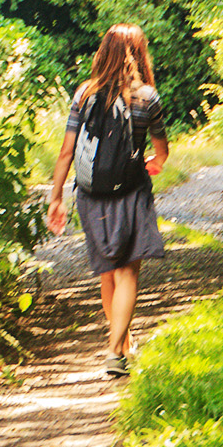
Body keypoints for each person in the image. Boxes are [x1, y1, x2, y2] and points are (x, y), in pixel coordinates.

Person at [45, 24, 170, 378]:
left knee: (107, 272)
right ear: (139, 54)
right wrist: (156, 162)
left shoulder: (84, 94)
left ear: (103, 53)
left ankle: (122, 341)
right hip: (131, 191)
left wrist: (56, 198)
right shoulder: (147, 98)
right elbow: (160, 149)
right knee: (128, 270)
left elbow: (67, 151)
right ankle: (116, 349)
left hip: (91, 195)